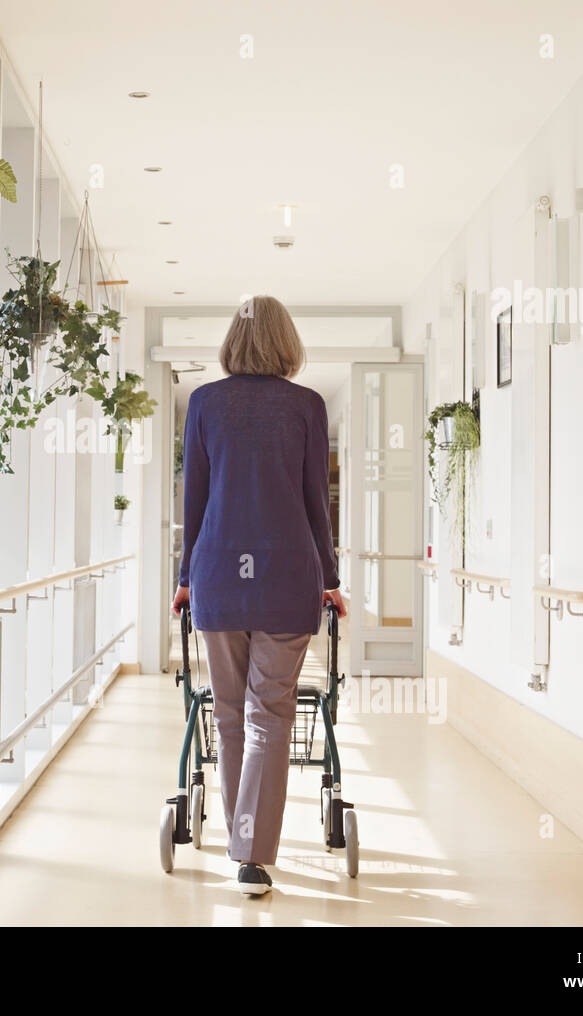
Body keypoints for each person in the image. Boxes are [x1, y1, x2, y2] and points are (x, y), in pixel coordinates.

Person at [172, 295, 346, 896]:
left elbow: (193, 501)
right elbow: (314, 502)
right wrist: (329, 580)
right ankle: (251, 855)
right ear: (287, 342)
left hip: (218, 575)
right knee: (269, 712)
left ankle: (240, 841)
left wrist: (184, 579)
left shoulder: (204, 403)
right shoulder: (306, 406)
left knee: (227, 714)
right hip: (286, 577)